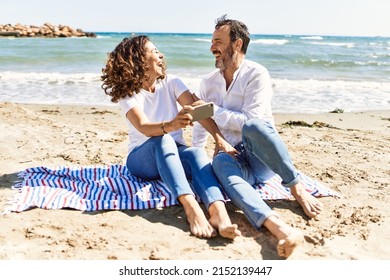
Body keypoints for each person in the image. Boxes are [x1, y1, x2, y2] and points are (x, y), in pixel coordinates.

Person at [192, 15, 323, 257]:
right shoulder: (208, 82)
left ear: (237, 44)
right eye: (212, 41)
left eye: (218, 41)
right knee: (219, 161)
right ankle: (279, 228)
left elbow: (247, 122)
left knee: (254, 127)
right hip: (232, 157)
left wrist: (212, 109)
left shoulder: (256, 74)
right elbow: (202, 124)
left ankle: (296, 187)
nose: (212, 48)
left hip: (260, 157)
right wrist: (195, 155)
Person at [101, 35, 241, 240]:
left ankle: (218, 211)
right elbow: (144, 127)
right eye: (155, 51)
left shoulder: (171, 82)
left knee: (195, 153)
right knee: (163, 139)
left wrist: (219, 138)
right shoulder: (129, 93)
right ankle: (191, 207)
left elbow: (198, 112)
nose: (161, 55)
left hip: (173, 155)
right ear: (139, 59)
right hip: (142, 160)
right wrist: (172, 125)